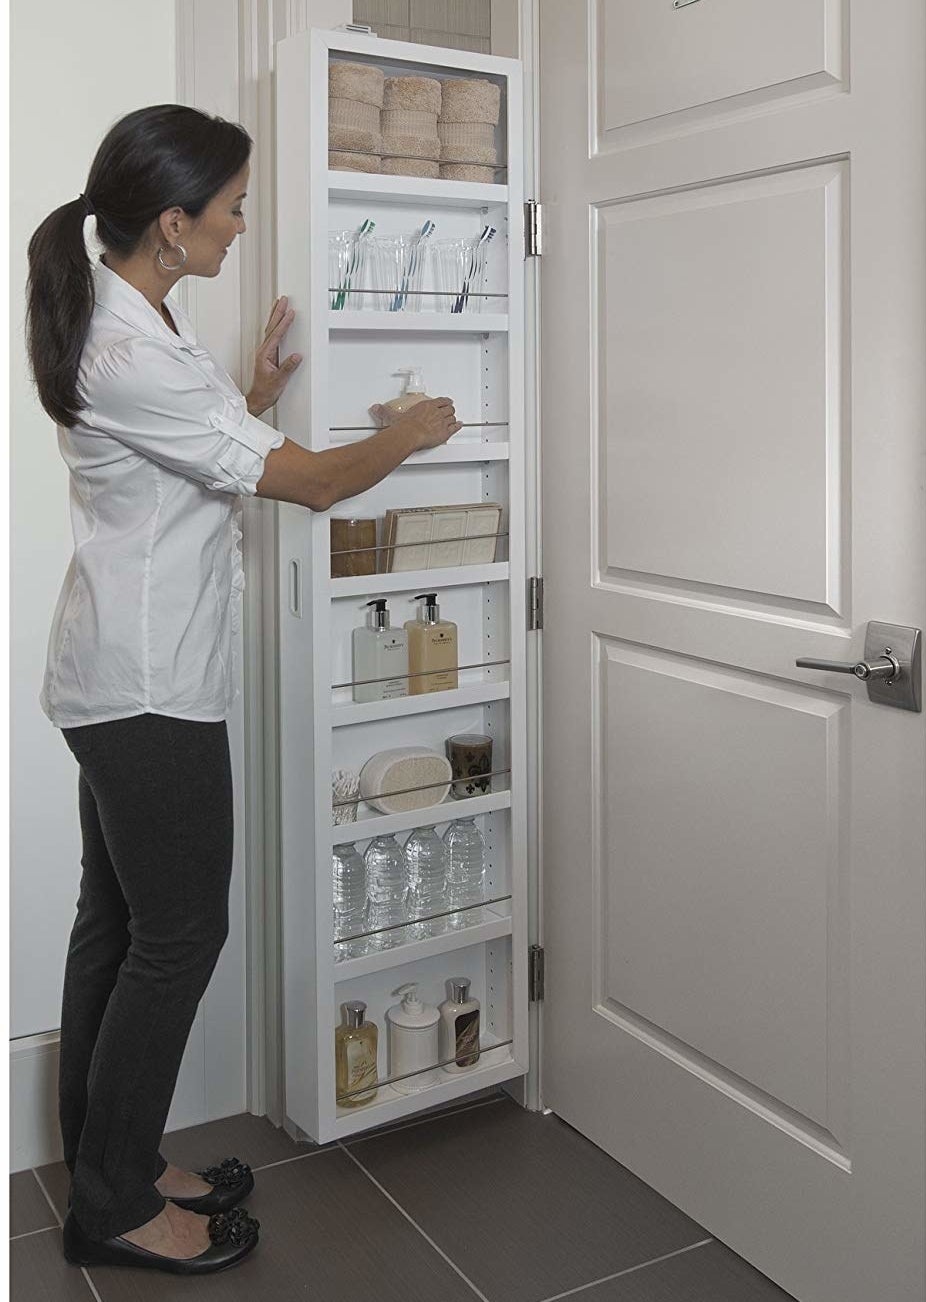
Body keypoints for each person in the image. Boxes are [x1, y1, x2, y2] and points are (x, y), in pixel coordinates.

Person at [24, 103, 460, 1275]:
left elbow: (183, 457)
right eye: (229, 207)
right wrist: (409, 433)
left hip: (120, 674)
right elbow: (310, 489)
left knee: (115, 927)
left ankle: (110, 1155)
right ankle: (113, 1208)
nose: (241, 224)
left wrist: (252, 395)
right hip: (148, 690)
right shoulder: (126, 347)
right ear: (171, 223)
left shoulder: (138, 318)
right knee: (179, 933)